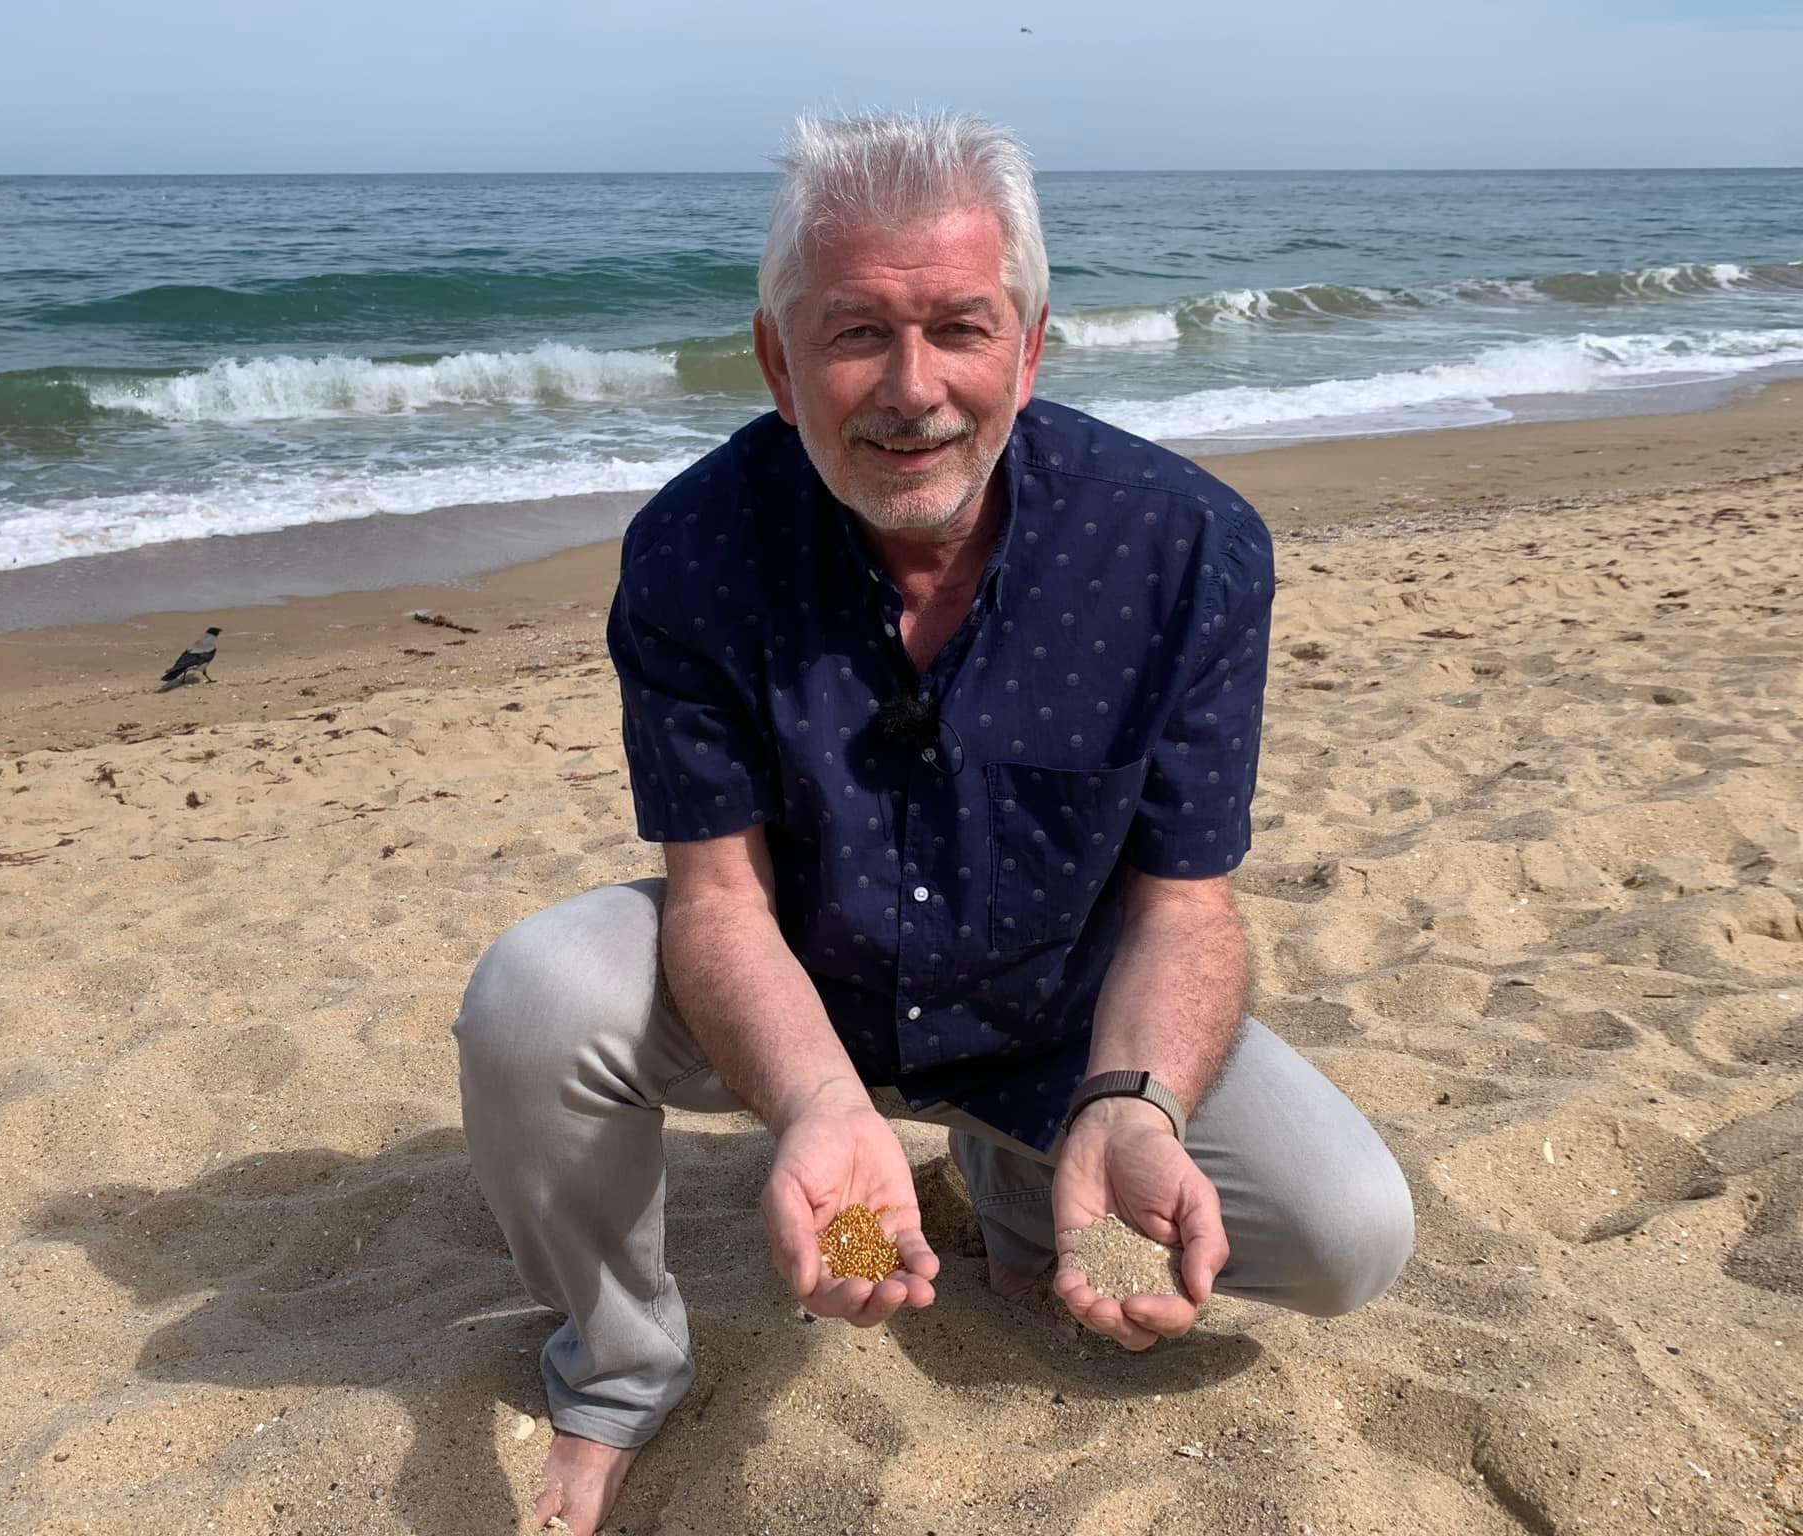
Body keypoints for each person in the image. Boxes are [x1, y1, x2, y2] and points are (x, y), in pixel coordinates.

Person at [454, 109, 1414, 1535]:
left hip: (1051, 1011)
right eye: (855, 334)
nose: (913, 391)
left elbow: (1183, 908)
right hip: (797, 995)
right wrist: (819, 1108)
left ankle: (1023, 1181)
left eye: (961, 328)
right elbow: (718, 900)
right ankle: (620, 1366)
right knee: (534, 1000)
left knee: (1350, 1235)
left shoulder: (1186, 548)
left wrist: (1133, 1102)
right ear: (777, 360)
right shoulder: (693, 551)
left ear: (1028, 348)